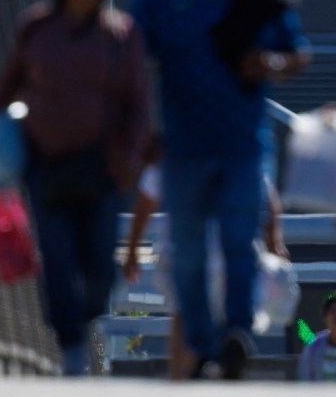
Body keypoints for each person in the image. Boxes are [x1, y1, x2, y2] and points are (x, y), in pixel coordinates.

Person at [130, 0, 309, 380]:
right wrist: (143, 129)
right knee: (186, 252)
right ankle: (205, 345)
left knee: (237, 243)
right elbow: (132, 65)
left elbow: (298, 54)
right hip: (182, 149)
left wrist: (272, 64)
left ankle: (235, 334)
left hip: (242, 148)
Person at [0, 0, 151, 376]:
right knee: (56, 259)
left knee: (99, 267)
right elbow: (6, 88)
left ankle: (86, 320)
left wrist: (130, 159)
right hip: (47, 166)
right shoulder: (36, 29)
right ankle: (71, 346)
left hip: (101, 170)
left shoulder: (121, 35)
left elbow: (138, 104)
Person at [121, 147, 289, 380]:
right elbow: (266, 196)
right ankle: (218, 370)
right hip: (230, 253)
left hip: (186, 248)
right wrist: (274, 240)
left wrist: (132, 250)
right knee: (226, 323)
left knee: (184, 318)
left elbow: (147, 198)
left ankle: (184, 380)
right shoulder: (237, 143)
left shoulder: (175, 143)